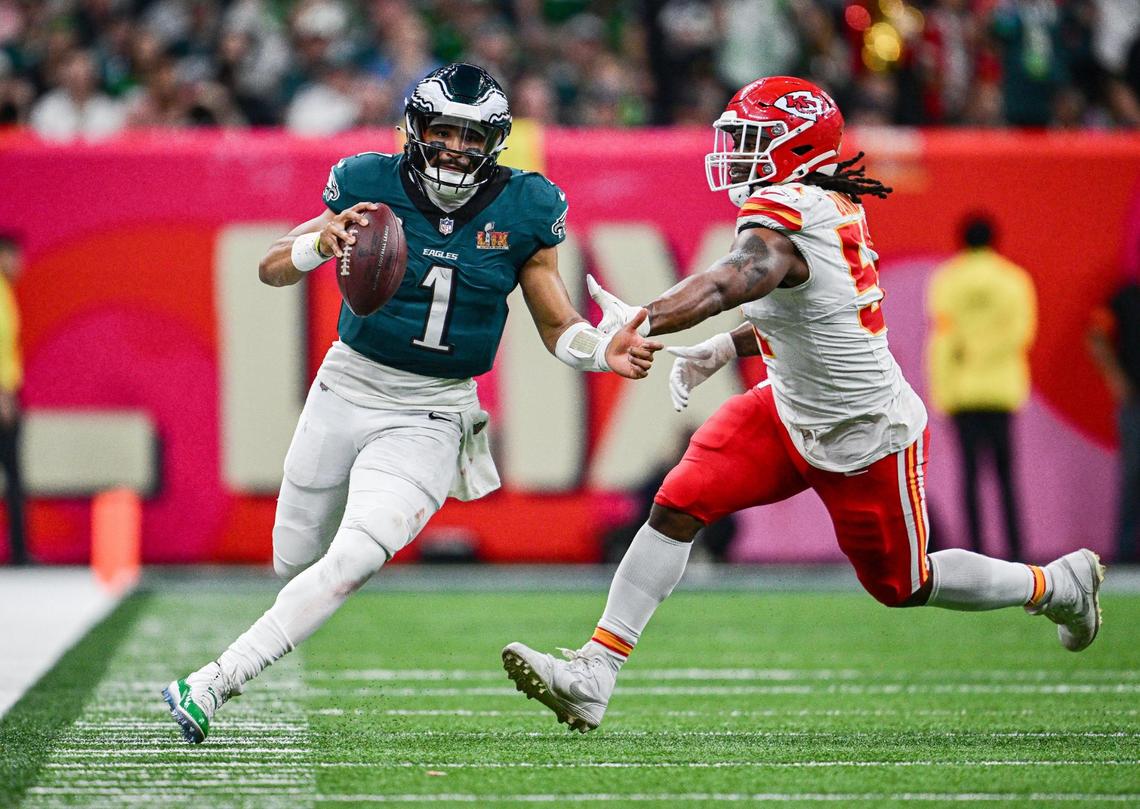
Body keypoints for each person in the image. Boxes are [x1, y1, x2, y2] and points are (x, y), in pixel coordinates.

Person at [501, 76, 1105, 734]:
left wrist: (647, 317)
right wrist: (724, 350)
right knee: (678, 502)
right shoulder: (813, 203)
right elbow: (801, 312)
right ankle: (596, 670)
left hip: (863, 435)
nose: (734, 154)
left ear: (795, 148)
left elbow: (732, 279)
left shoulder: (794, 212)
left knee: (904, 582)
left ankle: (1056, 586)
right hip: (787, 410)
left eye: (751, 141)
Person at [162, 63, 662, 744]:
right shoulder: (368, 182)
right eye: (443, 130)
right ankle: (258, 631)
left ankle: (213, 681)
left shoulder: (525, 207)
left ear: (496, 141)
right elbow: (271, 264)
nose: (456, 147)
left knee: (354, 558)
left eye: (471, 135)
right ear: (414, 129)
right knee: (293, 552)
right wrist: (321, 241)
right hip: (346, 385)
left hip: (431, 411)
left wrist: (602, 352)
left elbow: (556, 323)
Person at [926, 214, 1038, 559]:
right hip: (1002, 390)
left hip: (963, 392)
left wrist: (941, 394)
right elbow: (1022, 334)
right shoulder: (1013, 280)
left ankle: (975, 551)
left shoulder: (948, 280)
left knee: (970, 476)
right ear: (994, 239)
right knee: (1006, 476)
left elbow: (942, 340)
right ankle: (1017, 551)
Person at [1087, 279, 1140, 563]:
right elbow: (1096, 335)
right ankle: (1126, 554)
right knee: (1133, 476)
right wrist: (1115, 378)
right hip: (1135, 402)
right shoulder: (1124, 297)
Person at [0, 234, 28, 566]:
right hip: (4, 394)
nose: (20, 264)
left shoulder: (7, 294)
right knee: (13, 475)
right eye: (14, 257)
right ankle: (20, 553)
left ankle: (21, 551)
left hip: (9, 391)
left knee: (16, 476)